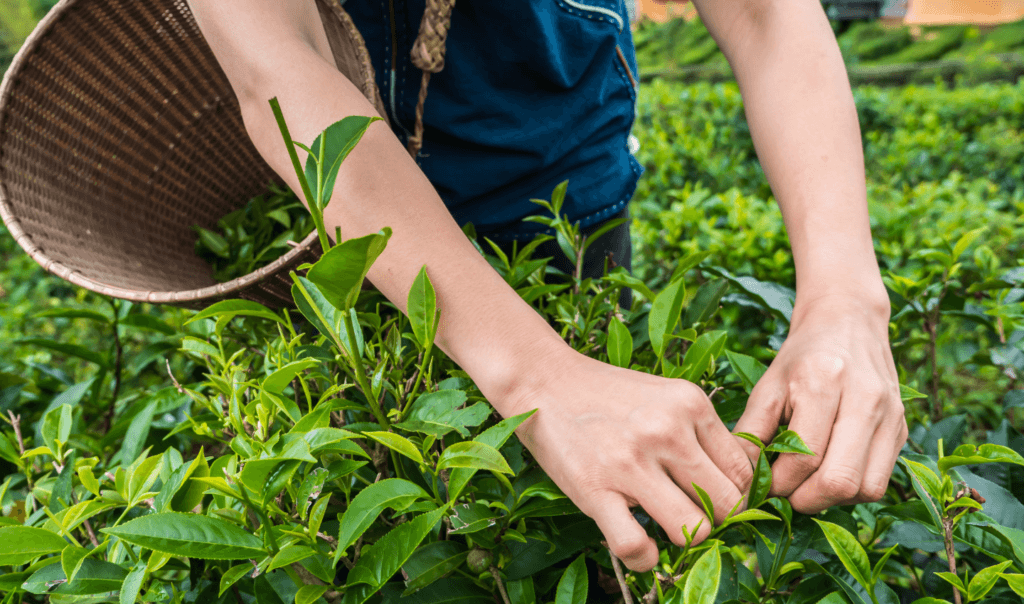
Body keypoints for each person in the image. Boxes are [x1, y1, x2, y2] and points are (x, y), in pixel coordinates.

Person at [186, 0, 908, 572]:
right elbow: (278, 61)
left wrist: (844, 295)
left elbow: (763, 12)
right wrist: (537, 375)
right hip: (320, 220)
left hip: (559, 187)